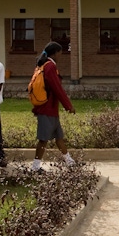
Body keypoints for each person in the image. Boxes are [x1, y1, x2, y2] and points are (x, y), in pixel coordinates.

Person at [31, 41, 76, 171]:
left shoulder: (44, 65)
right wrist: (68, 106)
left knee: (59, 137)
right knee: (43, 139)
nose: (61, 55)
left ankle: (70, 161)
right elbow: (57, 89)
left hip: (51, 109)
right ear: (55, 53)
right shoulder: (50, 66)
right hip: (47, 109)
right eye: (60, 53)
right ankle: (35, 166)